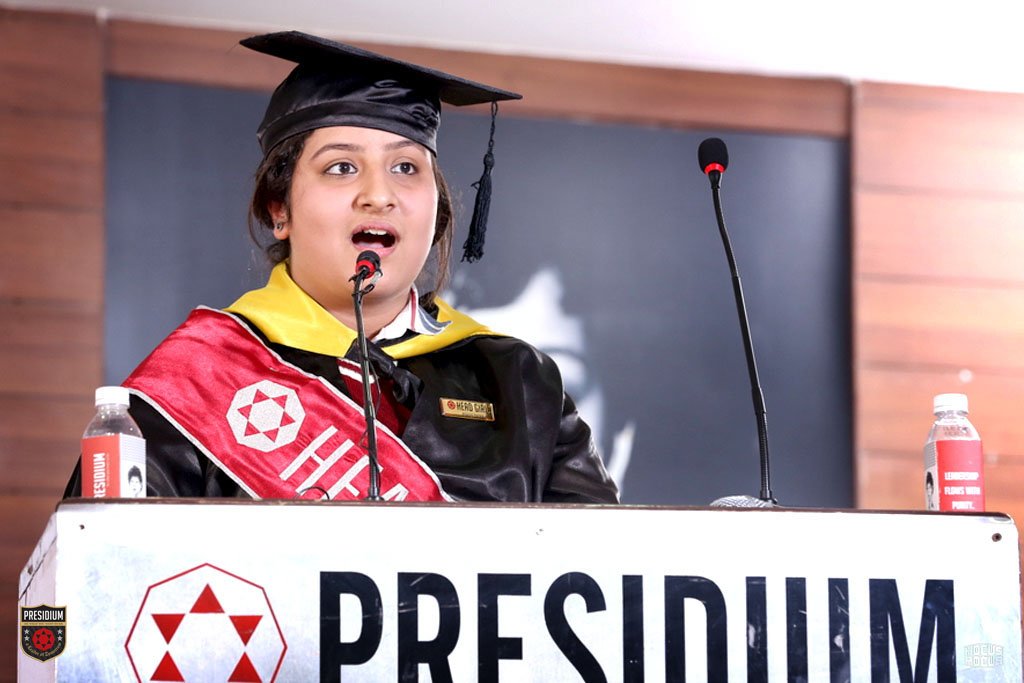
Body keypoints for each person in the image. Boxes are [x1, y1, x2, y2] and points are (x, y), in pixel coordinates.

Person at [64, 31, 618, 504]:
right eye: (342, 167)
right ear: (279, 210)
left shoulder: (520, 383)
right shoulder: (195, 381)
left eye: (406, 167)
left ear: (437, 209)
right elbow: (105, 573)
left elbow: (610, 573)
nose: (379, 195)